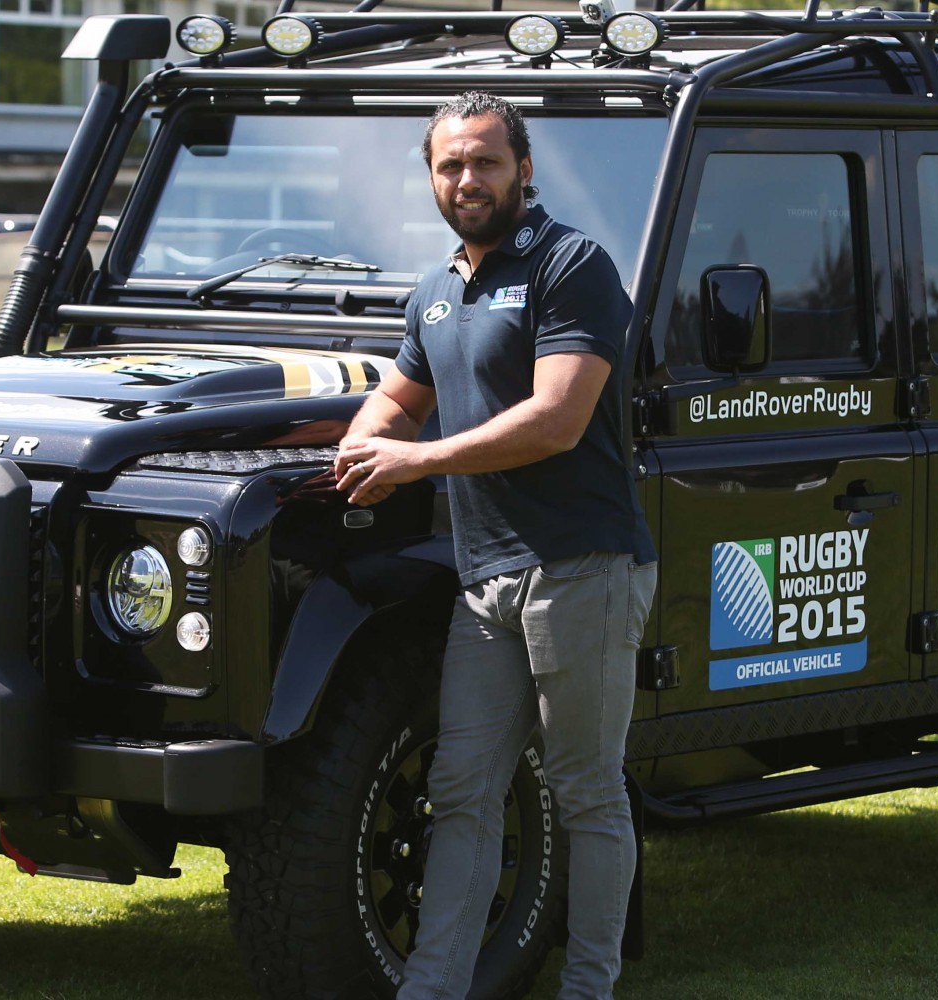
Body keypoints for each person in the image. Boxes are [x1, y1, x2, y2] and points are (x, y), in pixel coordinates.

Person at [333, 92, 658, 1000]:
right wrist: (363, 443)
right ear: (431, 178)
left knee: (585, 790)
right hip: (487, 584)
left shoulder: (573, 266)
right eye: (449, 165)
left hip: (583, 569)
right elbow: (397, 401)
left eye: (484, 161)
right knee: (463, 787)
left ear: (523, 169)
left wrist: (414, 459)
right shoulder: (435, 293)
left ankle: (588, 988)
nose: (466, 180)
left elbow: (556, 420)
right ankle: (431, 990)